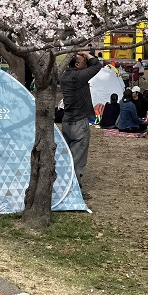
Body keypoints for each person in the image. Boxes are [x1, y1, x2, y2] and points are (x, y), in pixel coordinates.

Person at [60, 50, 102, 191]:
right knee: (78, 158)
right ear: (77, 64)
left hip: (66, 122)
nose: (86, 61)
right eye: (84, 60)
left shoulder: (64, 76)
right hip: (79, 123)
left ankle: (64, 183)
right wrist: (86, 53)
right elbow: (96, 65)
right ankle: (74, 189)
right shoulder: (79, 77)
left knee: (68, 155)